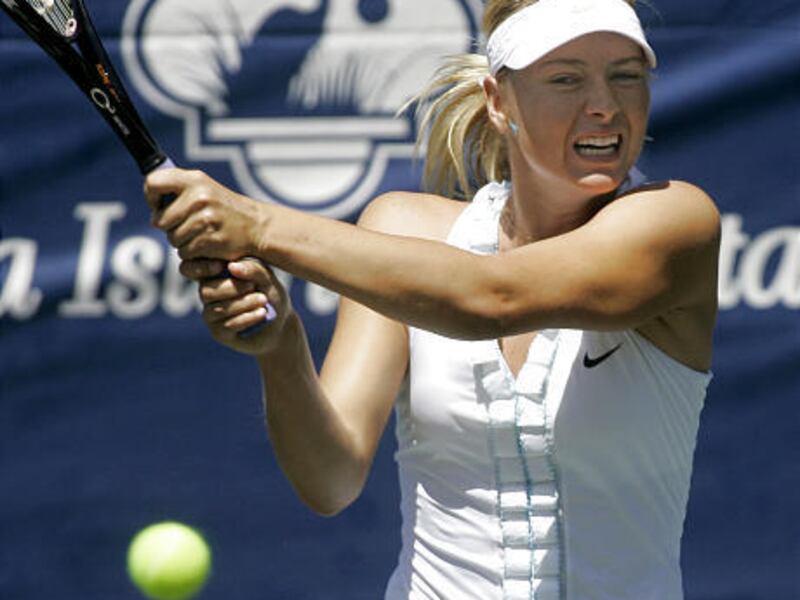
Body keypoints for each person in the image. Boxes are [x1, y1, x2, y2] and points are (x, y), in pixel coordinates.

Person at [145, 0, 721, 597]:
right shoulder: (401, 228)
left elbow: (491, 297)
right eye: (566, 78)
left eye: (626, 75)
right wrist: (280, 344)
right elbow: (330, 478)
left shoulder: (676, 223)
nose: (604, 103)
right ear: (500, 103)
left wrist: (259, 226)